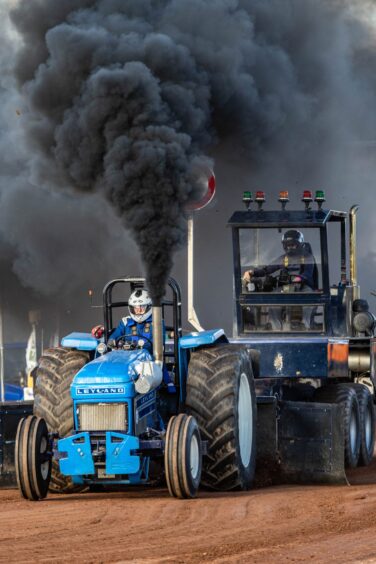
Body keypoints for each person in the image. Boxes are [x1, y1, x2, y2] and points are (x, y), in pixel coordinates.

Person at [242, 230, 317, 330]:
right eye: (288, 245)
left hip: (303, 287)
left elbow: (307, 273)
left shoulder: (308, 257)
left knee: (310, 300)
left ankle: (306, 327)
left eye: (293, 245)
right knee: (274, 299)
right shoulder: (283, 258)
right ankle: (276, 328)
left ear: (299, 245)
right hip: (286, 288)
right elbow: (267, 270)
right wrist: (252, 272)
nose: (290, 247)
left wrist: (298, 279)